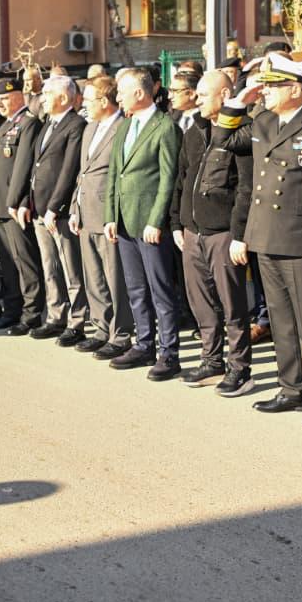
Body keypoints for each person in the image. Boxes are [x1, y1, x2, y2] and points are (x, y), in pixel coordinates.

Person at [215, 54, 302, 417]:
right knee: (280, 319)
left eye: (274, 86)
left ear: (296, 88)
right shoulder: (263, 121)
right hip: (266, 235)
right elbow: (225, 140)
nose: (266, 91)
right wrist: (237, 102)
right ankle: (290, 388)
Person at [170, 68, 255, 394]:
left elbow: (246, 189)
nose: (197, 99)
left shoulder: (243, 132)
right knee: (201, 302)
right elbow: (182, 180)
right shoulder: (195, 130)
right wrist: (177, 222)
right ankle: (211, 359)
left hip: (223, 234)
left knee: (232, 305)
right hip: (193, 233)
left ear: (223, 96)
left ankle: (240, 368)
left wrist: (238, 234)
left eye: (204, 95)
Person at [104, 67, 183, 379]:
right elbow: (115, 174)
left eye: (122, 91)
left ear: (140, 92)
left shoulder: (165, 127)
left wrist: (157, 220)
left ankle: (169, 353)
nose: (117, 97)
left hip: (150, 224)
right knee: (136, 288)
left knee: (160, 289)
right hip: (124, 220)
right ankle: (144, 344)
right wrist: (111, 215)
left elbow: (169, 178)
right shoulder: (125, 125)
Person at [71, 75, 134, 359]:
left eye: (88, 100)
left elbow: (120, 178)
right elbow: (82, 173)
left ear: (104, 101)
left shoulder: (124, 127)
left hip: (108, 214)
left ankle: (120, 333)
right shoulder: (90, 128)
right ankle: (100, 327)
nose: (84, 105)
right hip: (86, 212)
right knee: (93, 275)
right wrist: (75, 207)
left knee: (114, 277)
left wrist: (113, 215)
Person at [28, 75, 87, 345]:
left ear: (63, 98)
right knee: (50, 266)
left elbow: (68, 170)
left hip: (58, 210)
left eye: (47, 93)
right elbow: (37, 165)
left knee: (70, 268)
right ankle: (56, 315)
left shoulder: (76, 124)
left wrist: (55, 206)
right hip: (40, 207)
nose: (42, 98)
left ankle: (77, 321)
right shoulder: (47, 124)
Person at [0, 78, 44, 334]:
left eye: (6, 98)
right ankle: (12, 309)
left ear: (20, 96)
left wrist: (15, 201)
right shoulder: (3, 125)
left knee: (24, 261)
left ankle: (31, 314)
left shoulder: (28, 123)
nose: (2, 104)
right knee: (7, 262)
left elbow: (22, 167)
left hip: (13, 204)